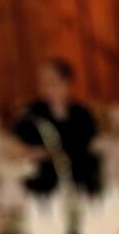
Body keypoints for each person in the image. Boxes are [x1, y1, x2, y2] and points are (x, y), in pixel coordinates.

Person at [11, 57, 101, 194]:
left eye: (51, 81)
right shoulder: (31, 113)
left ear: (66, 84)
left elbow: (83, 147)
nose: (45, 88)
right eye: (42, 83)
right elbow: (18, 145)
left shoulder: (82, 114)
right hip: (42, 185)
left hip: (79, 182)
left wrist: (48, 152)